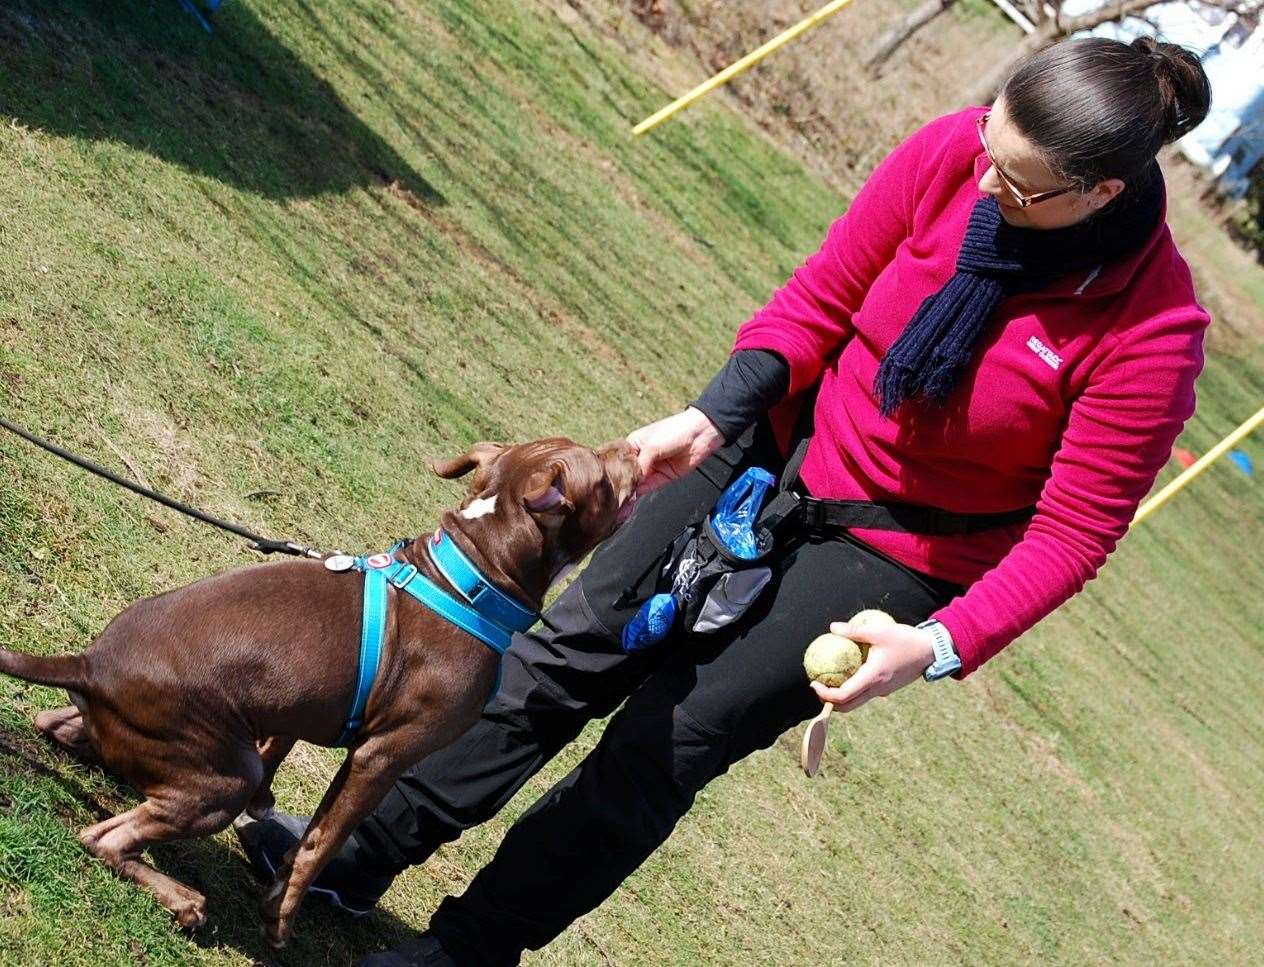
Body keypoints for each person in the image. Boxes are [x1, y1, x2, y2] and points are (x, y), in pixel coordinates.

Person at [237, 36, 1212, 966]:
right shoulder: (949, 153)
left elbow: (1073, 534)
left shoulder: (1152, 333)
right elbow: (819, 302)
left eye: (1015, 180)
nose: (982, 182)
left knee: (658, 752)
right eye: (987, 143)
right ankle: (353, 862)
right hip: (772, 448)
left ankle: (469, 945)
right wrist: (713, 416)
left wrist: (937, 645)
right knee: (560, 655)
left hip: (895, 551)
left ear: (1101, 192)